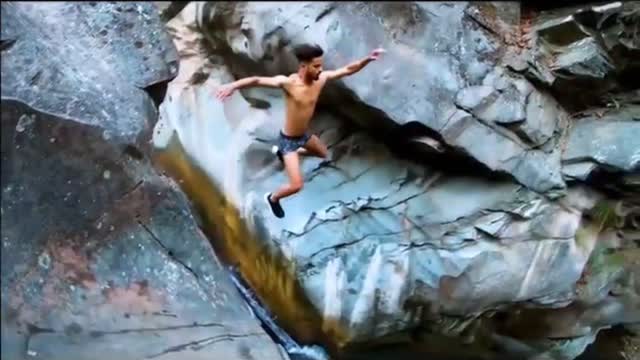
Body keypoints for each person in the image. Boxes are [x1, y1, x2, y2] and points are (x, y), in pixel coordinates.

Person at [215, 43, 386, 218]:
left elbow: (348, 69)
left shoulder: (321, 80)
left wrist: (368, 59)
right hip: (288, 140)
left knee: (322, 153)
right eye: (316, 66)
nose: (320, 70)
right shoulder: (289, 83)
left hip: (304, 136)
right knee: (296, 185)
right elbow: (257, 80)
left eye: (321, 65)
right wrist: (232, 86)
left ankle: (287, 154)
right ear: (304, 66)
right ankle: (273, 198)